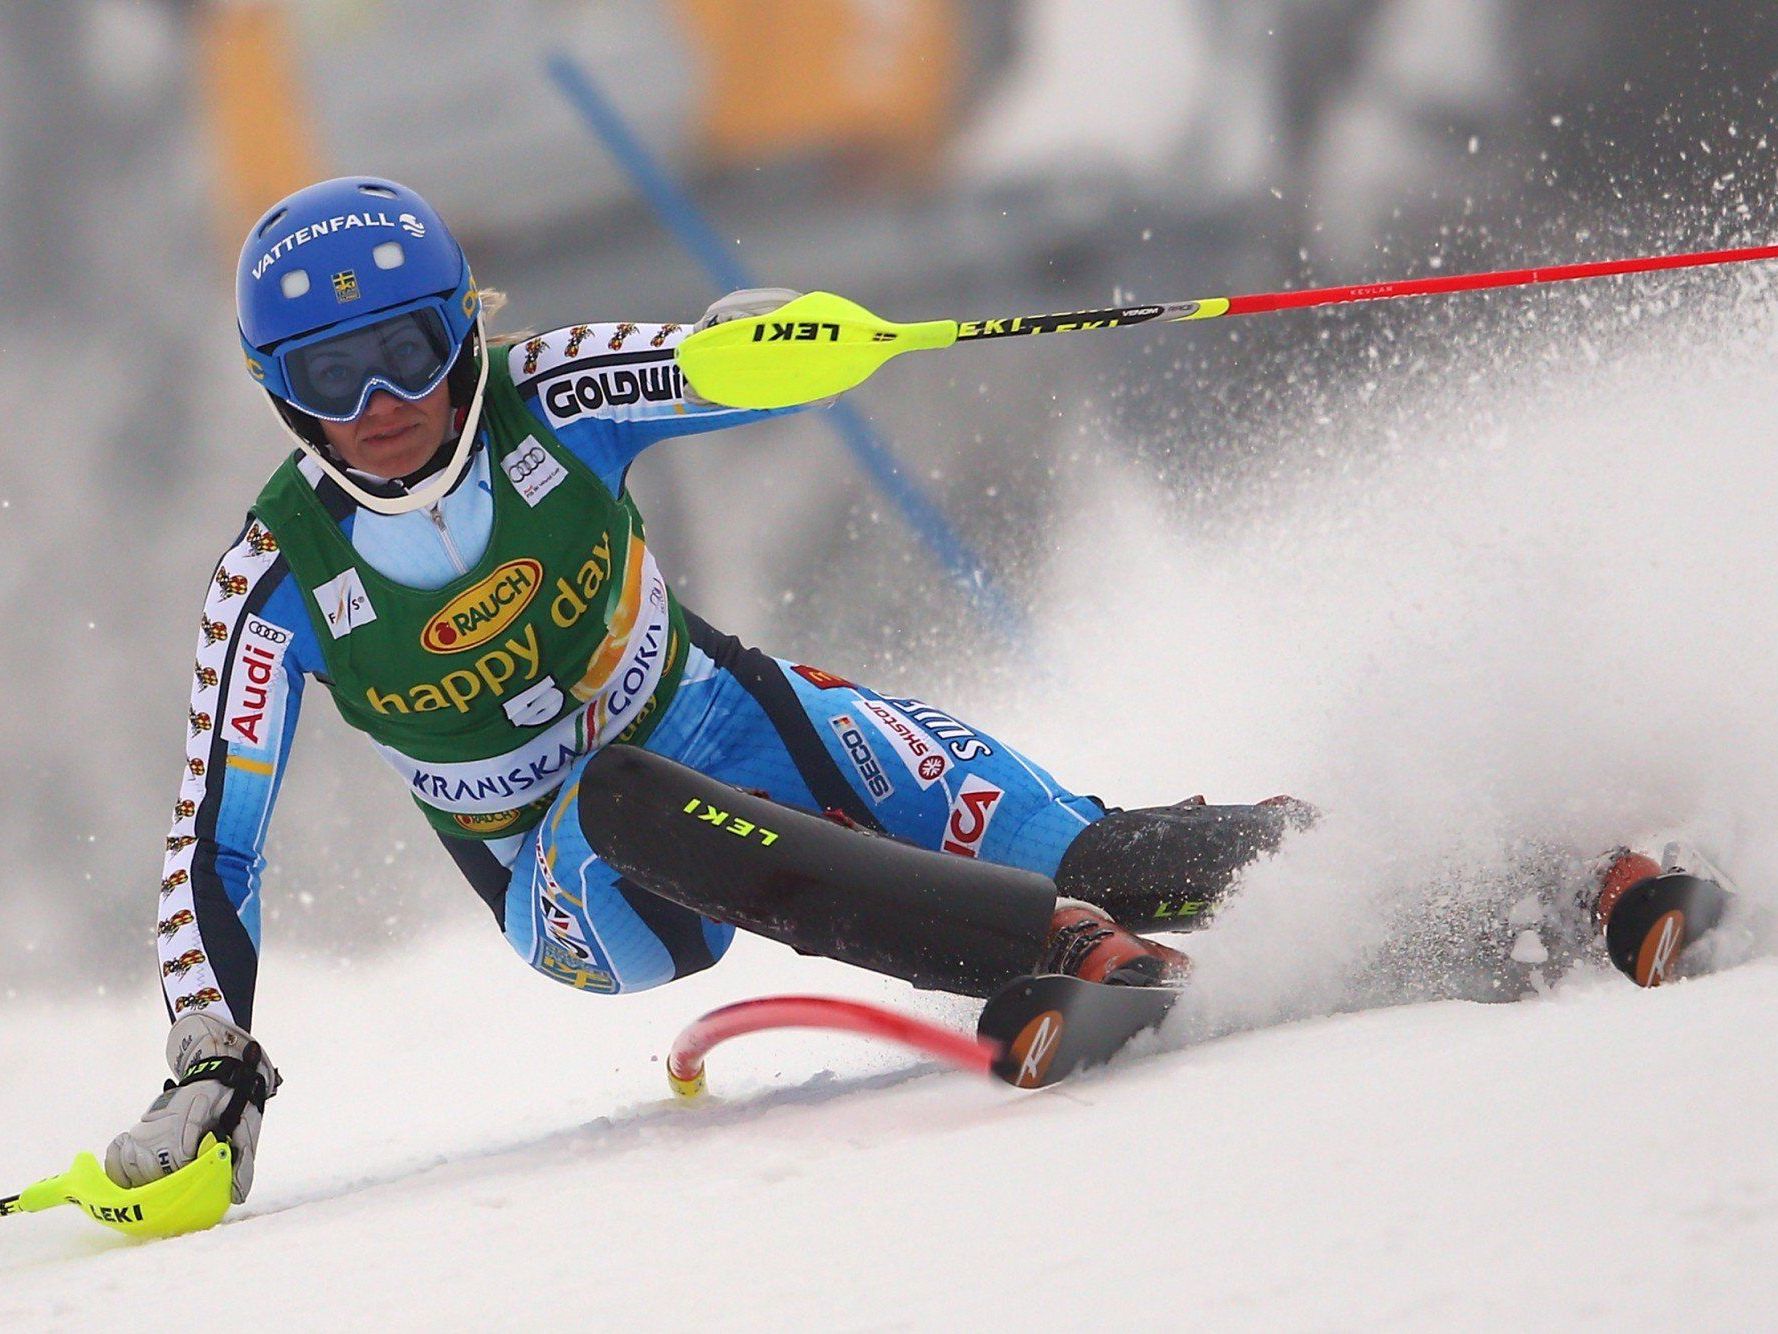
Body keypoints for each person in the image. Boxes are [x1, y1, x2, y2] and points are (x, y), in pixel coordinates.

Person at [105, 177, 1728, 1204]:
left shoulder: (551, 388)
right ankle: (1036, 953)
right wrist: (211, 1057)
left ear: (468, 332)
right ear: (281, 394)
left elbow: (697, 363)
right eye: (332, 376)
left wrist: (792, 344)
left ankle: (1536, 870)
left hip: (731, 710)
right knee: (612, 800)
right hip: (570, 873)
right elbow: (212, 843)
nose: (386, 403)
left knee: (1077, 842)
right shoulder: (273, 580)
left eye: (411, 349)